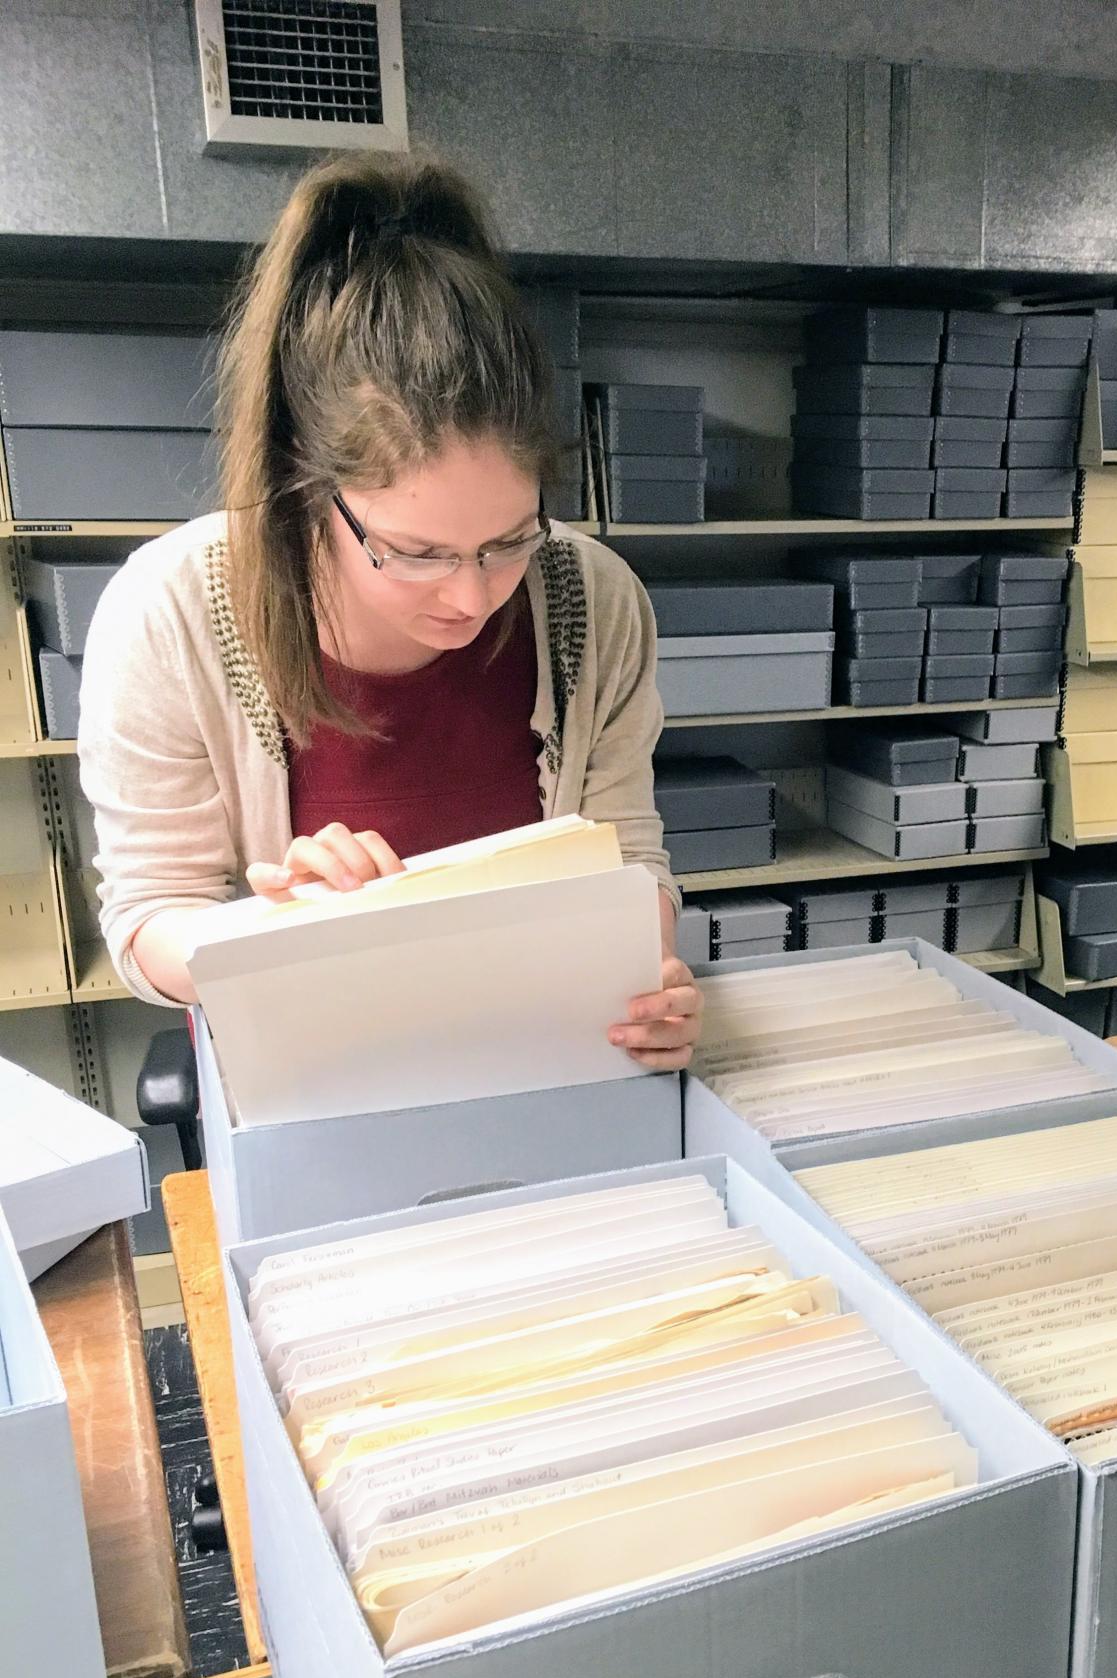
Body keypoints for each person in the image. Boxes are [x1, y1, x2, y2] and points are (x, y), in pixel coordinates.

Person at [77, 151, 701, 1073]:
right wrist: (272, 935)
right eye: (414, 553)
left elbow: (629, 860)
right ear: (307, 487)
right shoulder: (171, 612)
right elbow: (146, 918)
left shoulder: (591, 602)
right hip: (311, 1080)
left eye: (510, 539)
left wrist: (644, 977)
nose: (472, 597)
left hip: (550, 1063)